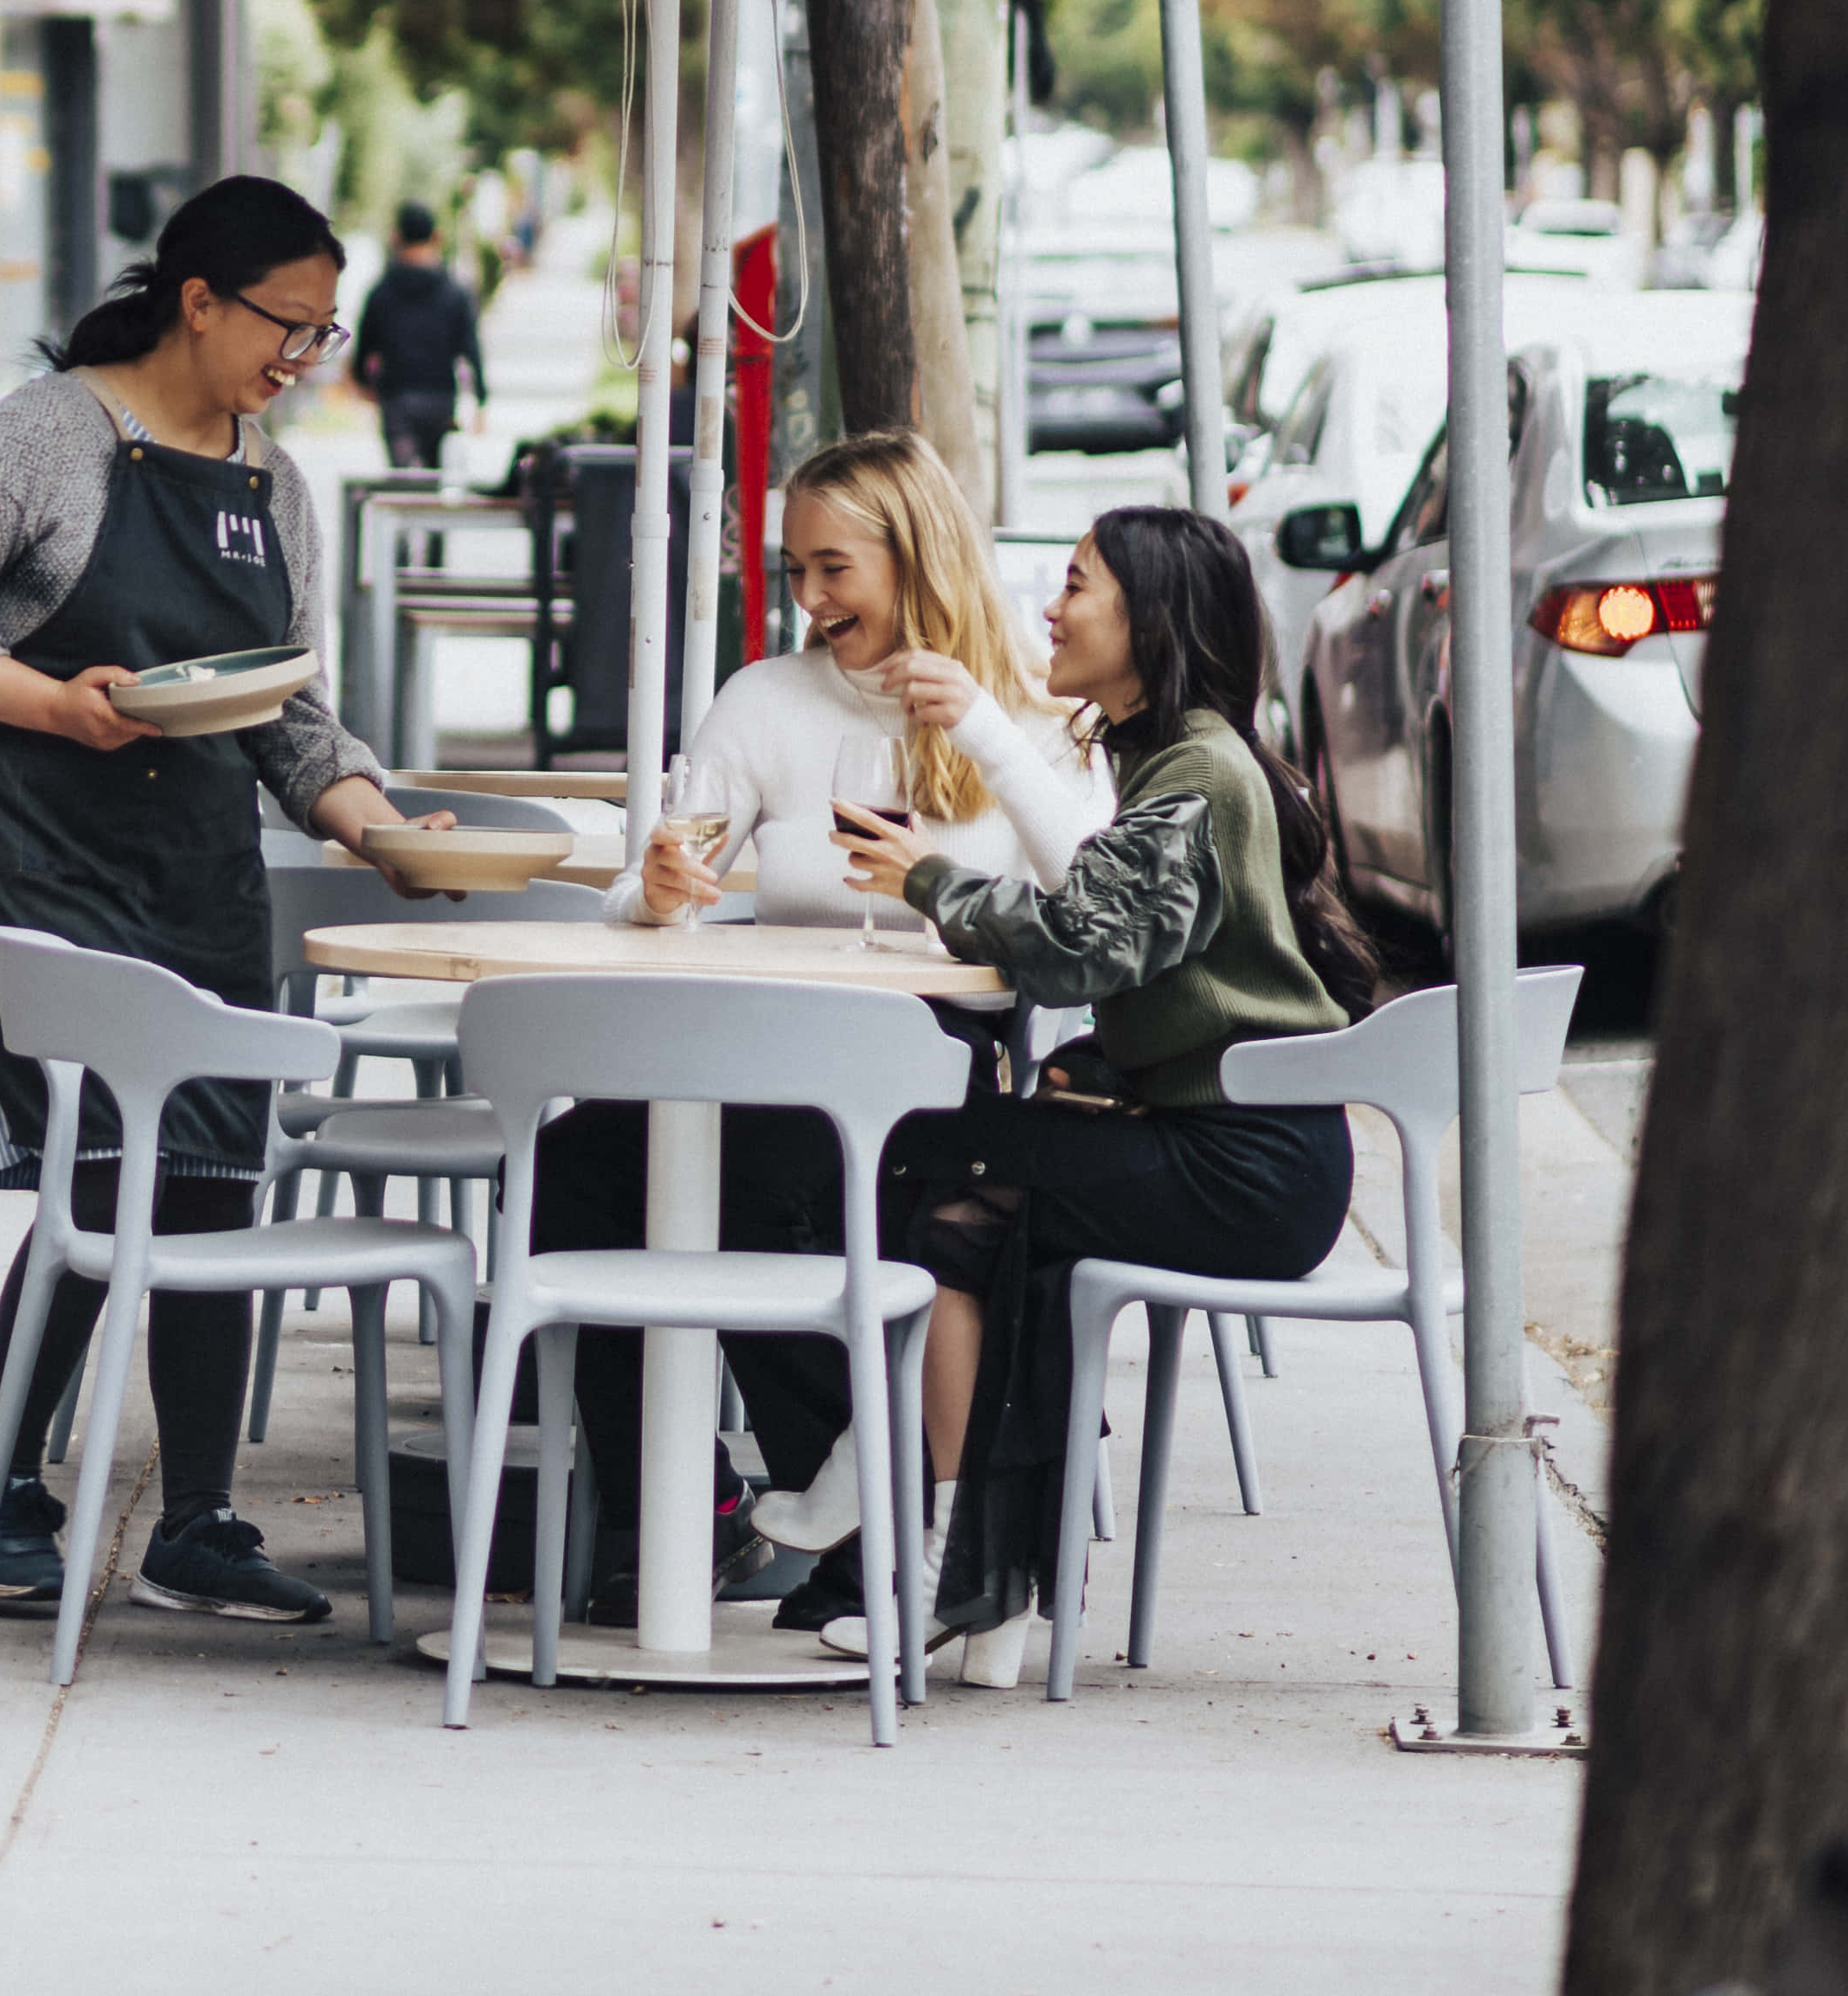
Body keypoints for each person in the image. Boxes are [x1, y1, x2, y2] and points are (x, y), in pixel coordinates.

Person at [0, 176, 440, 1626]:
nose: (299, 358)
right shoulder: (42, 434)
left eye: (319, 332)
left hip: (193, 874)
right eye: (284, 325)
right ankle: (0, 1489)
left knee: (209, 1177)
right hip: (35, 858)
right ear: (198, 296)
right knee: (101, 1172)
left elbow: (288, 716)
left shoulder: (272, 482)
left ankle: (196, 1520)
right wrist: (50, 700)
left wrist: (378, 826)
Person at [536, 427, 1110, 1619]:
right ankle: (689, 1508)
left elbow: (1091, 904)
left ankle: (853, 1508)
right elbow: (644, 891)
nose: (806, 595)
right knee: (576, 1162)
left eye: (832, 567)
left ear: (915, 555)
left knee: (754, 1187)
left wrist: (985, 734)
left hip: (935, 1064)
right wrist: (655, 887)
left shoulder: (1024, 710)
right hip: (764, 1049)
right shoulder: (764, 699)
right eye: (793, 567)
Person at [831, 503, 1370, 1681]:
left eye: (1077, 583)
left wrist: (922, 875)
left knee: (932, 1158)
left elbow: (1080, 946)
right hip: (1232, 1143)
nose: (1052, 606)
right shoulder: (1184, 759)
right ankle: (977, 1567)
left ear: (1150, 616)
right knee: (971, 1205)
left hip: (1245, 1170)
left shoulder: (1195, 773)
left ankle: (913, 1525)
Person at [345, 206, 482, 478]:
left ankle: (407, 518)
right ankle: (432, 520)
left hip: (396, 397)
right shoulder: (455, 294)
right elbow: (471, 348)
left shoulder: (380, 292)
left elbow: (366, 344)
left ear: (396, 237)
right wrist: (481, 400)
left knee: (403, 480)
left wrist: (362, 382)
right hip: (440, 397)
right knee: (435, 479)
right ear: (437, 237)